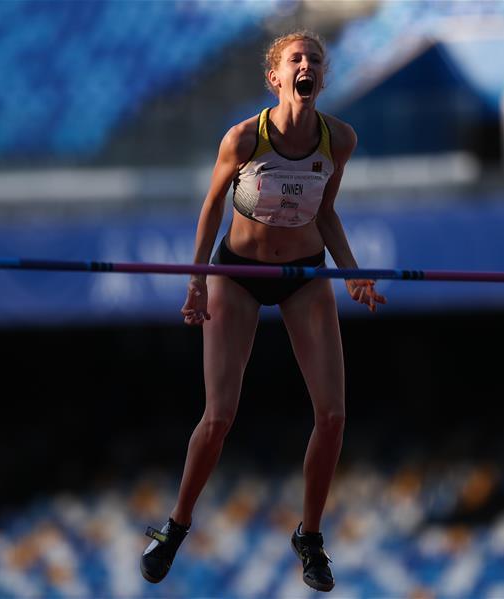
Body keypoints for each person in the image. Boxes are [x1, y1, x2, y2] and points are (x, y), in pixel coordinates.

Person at [141, 30, 386, 593]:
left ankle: (310, 537)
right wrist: (196, 281)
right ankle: (176, 525)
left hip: (303, 276)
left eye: (315, 59)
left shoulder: (339, 139)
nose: (306, 65)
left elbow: (326, 211)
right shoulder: (244, 138)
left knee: (333, 416)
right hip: (239, 275)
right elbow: (211, 207)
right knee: (219, 417)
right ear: (275, 77)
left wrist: (351, 272)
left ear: (322, 77)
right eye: (295, 59)